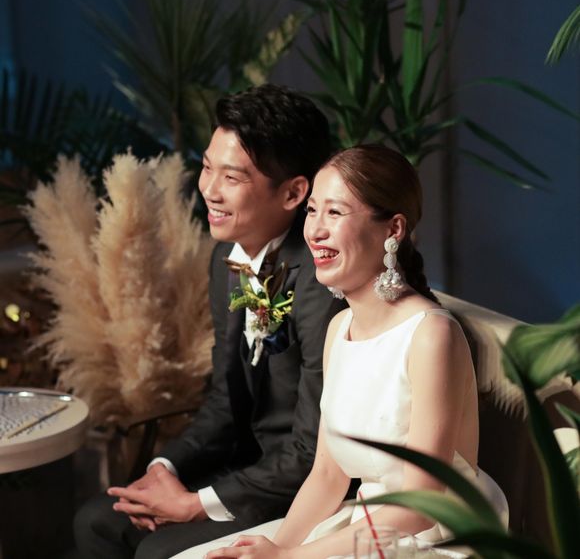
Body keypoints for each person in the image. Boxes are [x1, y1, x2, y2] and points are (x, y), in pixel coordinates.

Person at [74, 84, 346, 559]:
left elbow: (312, 454)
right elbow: (224, 401)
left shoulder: (323, 282)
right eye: (206, 167)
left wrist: (197, 504)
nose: (209, 190)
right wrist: (165, 469)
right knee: (98, 521)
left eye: (232, 177)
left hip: (301, 489)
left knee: (156, 551)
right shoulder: (227, 261)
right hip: (242, 466)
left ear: (293, 192)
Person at [198, 145, 508, 559]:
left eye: (335, 212)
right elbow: (328, 476)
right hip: (369, 526)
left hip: (439, 538)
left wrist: (288, 558)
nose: (315, 230)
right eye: (312, 210)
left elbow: (421, 506)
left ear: (393, 228)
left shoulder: (431, 335)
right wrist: (277, 547)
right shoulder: (339, 329)